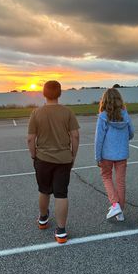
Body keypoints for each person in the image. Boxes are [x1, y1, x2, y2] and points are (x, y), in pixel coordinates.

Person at [27, 80, 80, 243]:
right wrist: (72, 155)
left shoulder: (36, 113)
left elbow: (30, 139)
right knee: (61, 193)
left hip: (42, 159)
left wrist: (34, 155)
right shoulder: (68, 112)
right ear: (60, 93)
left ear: (44, 93)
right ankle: (61, 231)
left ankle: (43, 219)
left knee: (44, 190)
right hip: (64, 159)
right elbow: (75, 136)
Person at [95, 88, 134, 221]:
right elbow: (131, 133)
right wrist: (122, 140)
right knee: (120, 182)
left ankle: (115, 204)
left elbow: (98, 139)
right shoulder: (125, 114)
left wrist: (97, 156)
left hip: (106, 154)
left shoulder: (103, 116)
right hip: (122, 153)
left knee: (106, 177)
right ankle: (120, 211)